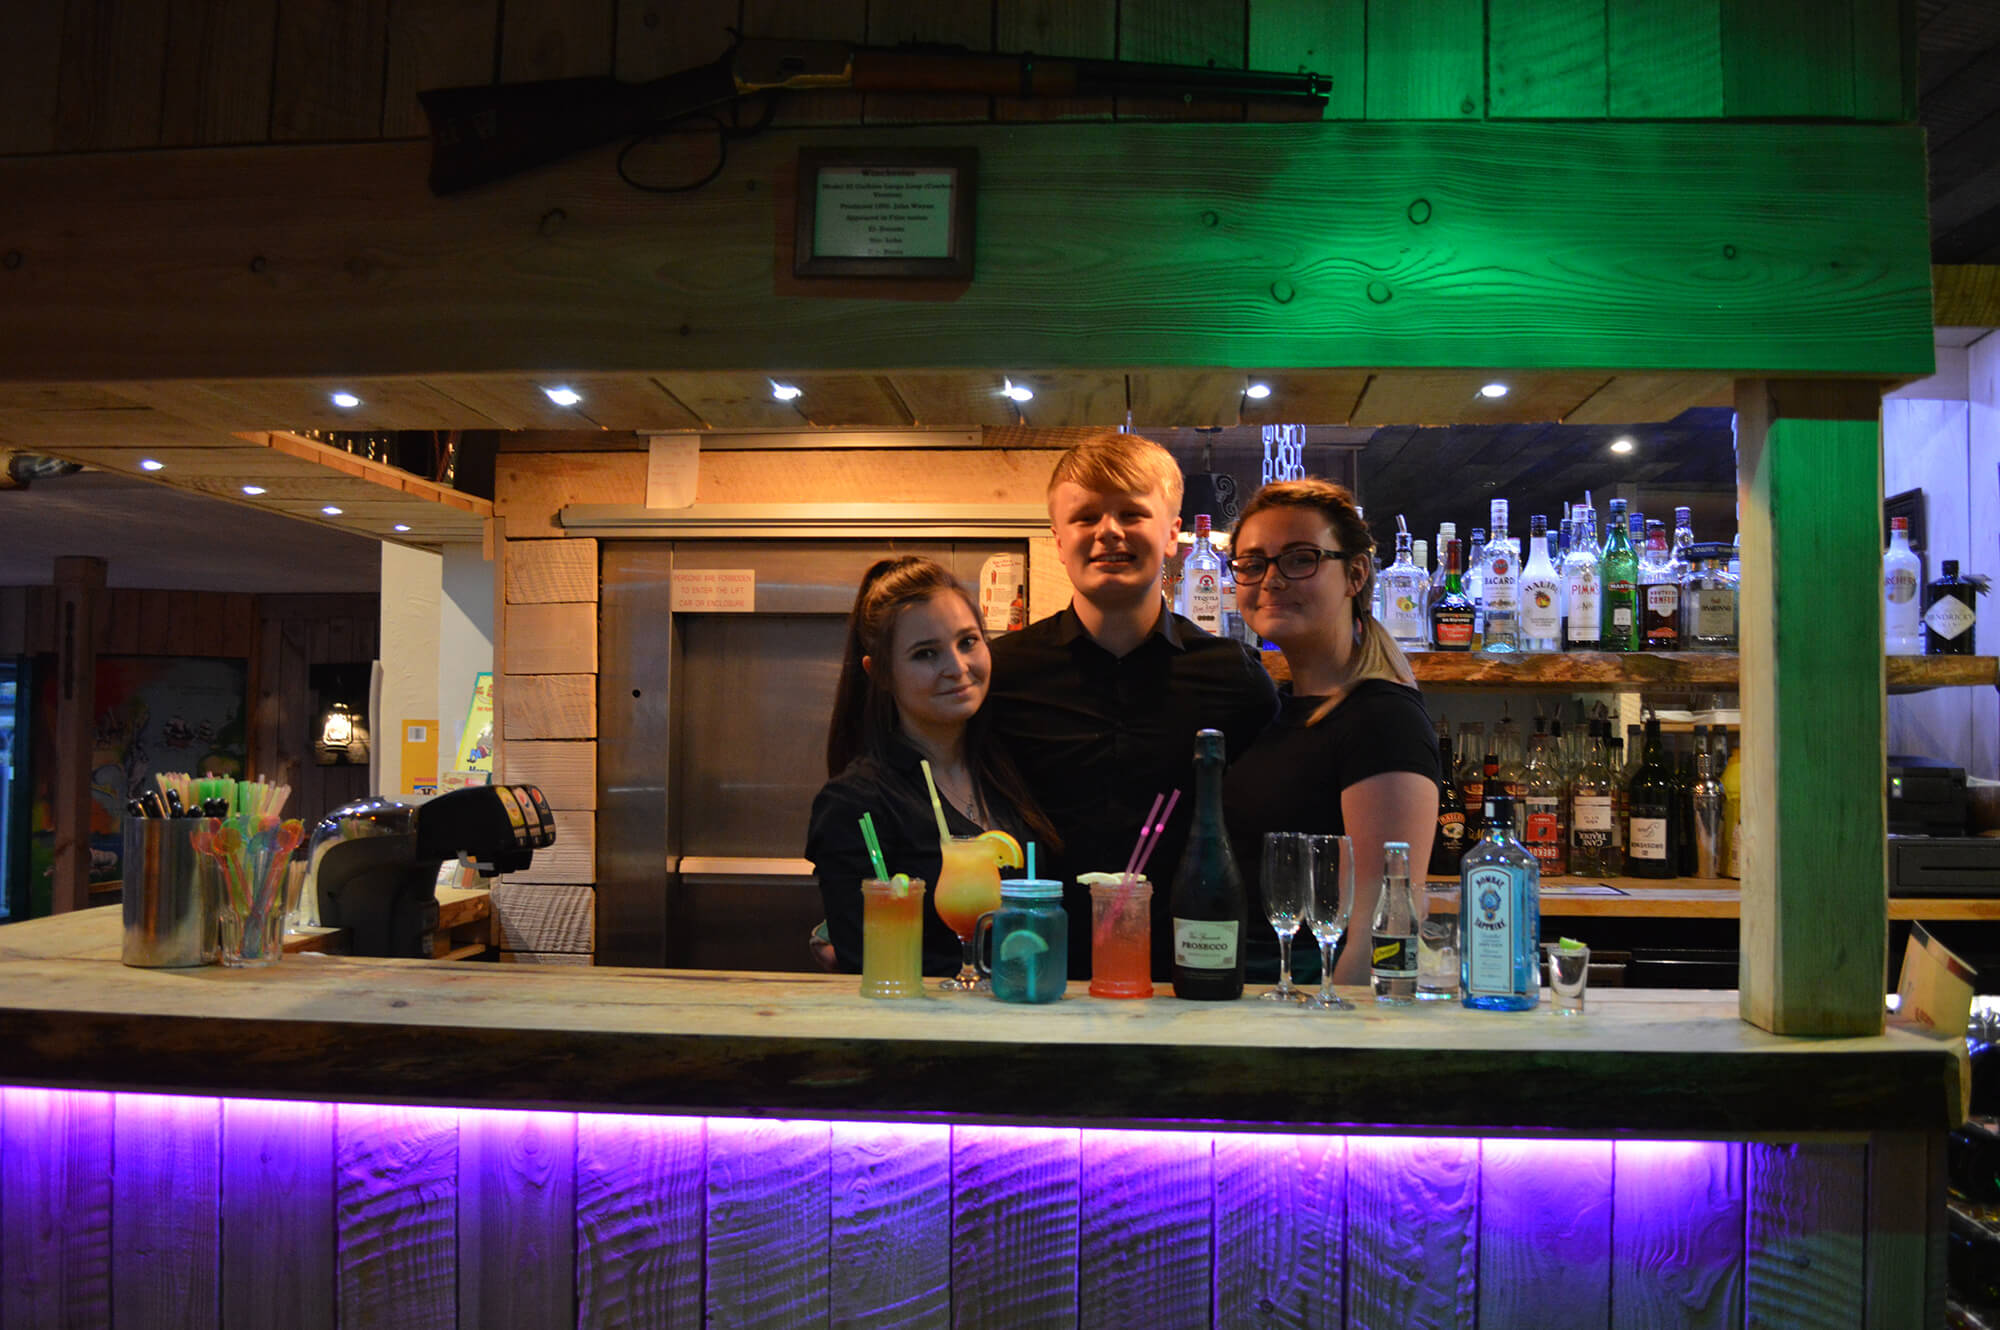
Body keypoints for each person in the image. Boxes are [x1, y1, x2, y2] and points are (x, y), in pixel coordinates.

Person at [987, 431, 1280, 979]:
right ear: (1058, 540)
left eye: (1131, 513)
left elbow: (1266, 830)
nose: (1109, 531)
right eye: (1086, 517)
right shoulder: (1001, 674)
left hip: (1192, 979)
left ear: (1171, 534)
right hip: (1034, 976)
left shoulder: (1235, 679)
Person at [1220, 478, 1440, 986]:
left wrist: (1337, 1029)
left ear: (1355, 574)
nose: (1271, 580)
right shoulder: (1279, 709)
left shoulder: (1383, 719)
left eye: (1300, 559)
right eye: (1252, 563)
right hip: (1253, 998)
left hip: (1313, 1002)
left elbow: (1382, 927)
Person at [805, 557, 1055, 973]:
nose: (957, 668)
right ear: (880, 673)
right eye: (926, 654)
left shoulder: (1009, 768)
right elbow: (866, 963)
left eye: (968, 642)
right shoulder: (856, 803)